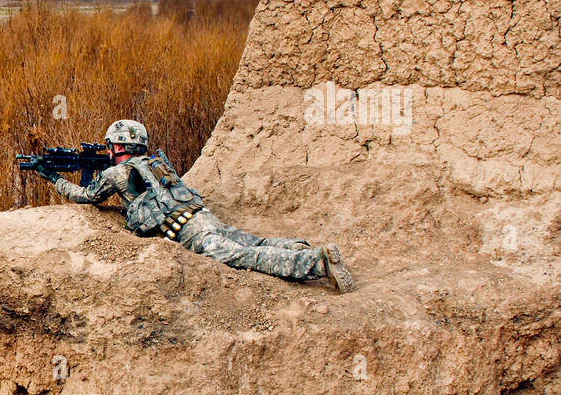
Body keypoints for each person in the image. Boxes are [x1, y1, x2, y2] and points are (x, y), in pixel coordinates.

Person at [34, 119, 355, 292]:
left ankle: (316, 262)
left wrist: (51, 177)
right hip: (201, 217)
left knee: (243, 256)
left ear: (117, 145)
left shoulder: (118, 172)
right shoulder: (156, 163)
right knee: (249, 240)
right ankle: (297, 247)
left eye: (110, 146)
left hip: (187, 234)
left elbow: (86, 196)